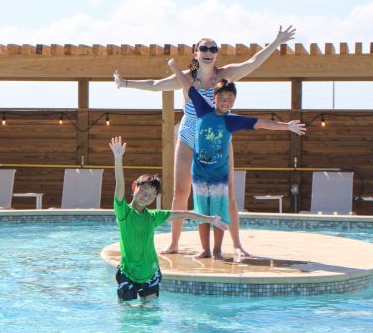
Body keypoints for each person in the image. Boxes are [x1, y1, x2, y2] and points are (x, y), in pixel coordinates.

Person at [113, 25, 296, 260]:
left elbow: (253, 62)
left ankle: (237, 245)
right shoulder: (187, 79)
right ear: (195, 53)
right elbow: (155, 85)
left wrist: (276, 42)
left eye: (213, 48)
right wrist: (125, 83)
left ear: (216, 54)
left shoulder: (225, 75)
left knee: (228, 193)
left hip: (219, 138)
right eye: (204, 48)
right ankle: (174, 242)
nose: (209, 51)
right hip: (189, 134)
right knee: (180, 192)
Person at [166, 60, 305, 258]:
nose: (225, 101)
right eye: (222, 97)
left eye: (230, 98)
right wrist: (174, 67)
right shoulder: (203, 110)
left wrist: (287, 126)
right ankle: (205, 249)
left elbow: (262, 123)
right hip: (199, 174)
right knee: (202, 213)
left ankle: (217, 250)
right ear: (214, 98)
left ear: (234, 101)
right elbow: (188, 86)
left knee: (220, 212)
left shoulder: (232, 120)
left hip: (219, 176)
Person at [109, 135, 227, 301]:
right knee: (127, 315)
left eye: (151, 195)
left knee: (149, 315)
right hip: (128, 273)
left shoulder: (153, 216)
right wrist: (118, 158)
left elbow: (184, 214)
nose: (146, 197)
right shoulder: (123, 213)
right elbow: (119, 184)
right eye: (143, 191)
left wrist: (210, 219)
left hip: (151, 272)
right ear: (135, 187)